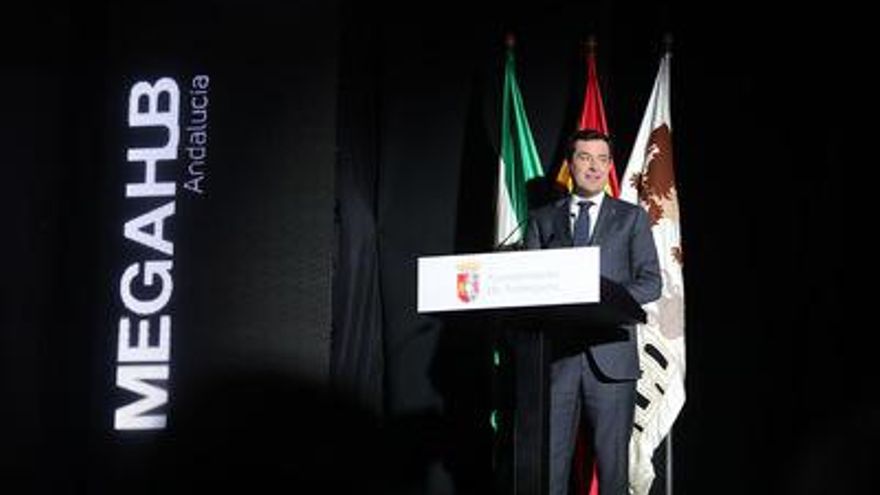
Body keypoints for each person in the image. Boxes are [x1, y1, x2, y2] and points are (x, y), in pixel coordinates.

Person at [524, 129, 661, 495]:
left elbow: (651, 282)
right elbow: (529, 285)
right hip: (558, 362)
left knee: (613, 473)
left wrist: (606, 300)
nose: (595, 167)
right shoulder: (541, 220)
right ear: (571, 164)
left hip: (612, 361)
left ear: (610, 166)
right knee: (549, 469)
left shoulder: (631, 218)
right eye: (585, 157)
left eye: (602, 159)